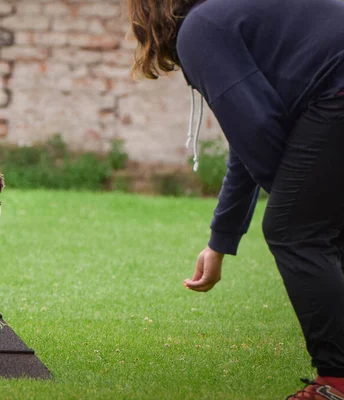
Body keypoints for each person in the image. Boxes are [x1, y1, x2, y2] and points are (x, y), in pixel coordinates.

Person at [126, 0, 344, 398]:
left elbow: (258, 128)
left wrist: (298, 207)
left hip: (336, 90)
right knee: (314, 226)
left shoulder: (202, 28)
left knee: (295, 231)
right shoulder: (235, 13)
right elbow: (249, 138)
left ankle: (338, 382)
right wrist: (221, 239)